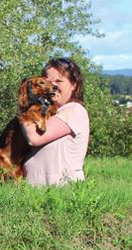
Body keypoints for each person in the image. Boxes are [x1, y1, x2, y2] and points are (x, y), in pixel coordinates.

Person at [21, 58, 91, 186]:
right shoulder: (48, 113)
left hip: (61, 193)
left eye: (59, 81)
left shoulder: (74, 111)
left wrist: (24, 109)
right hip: (34, 194)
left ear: (74, 85)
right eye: (47, 81)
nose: (52, 86)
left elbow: (34, 138)